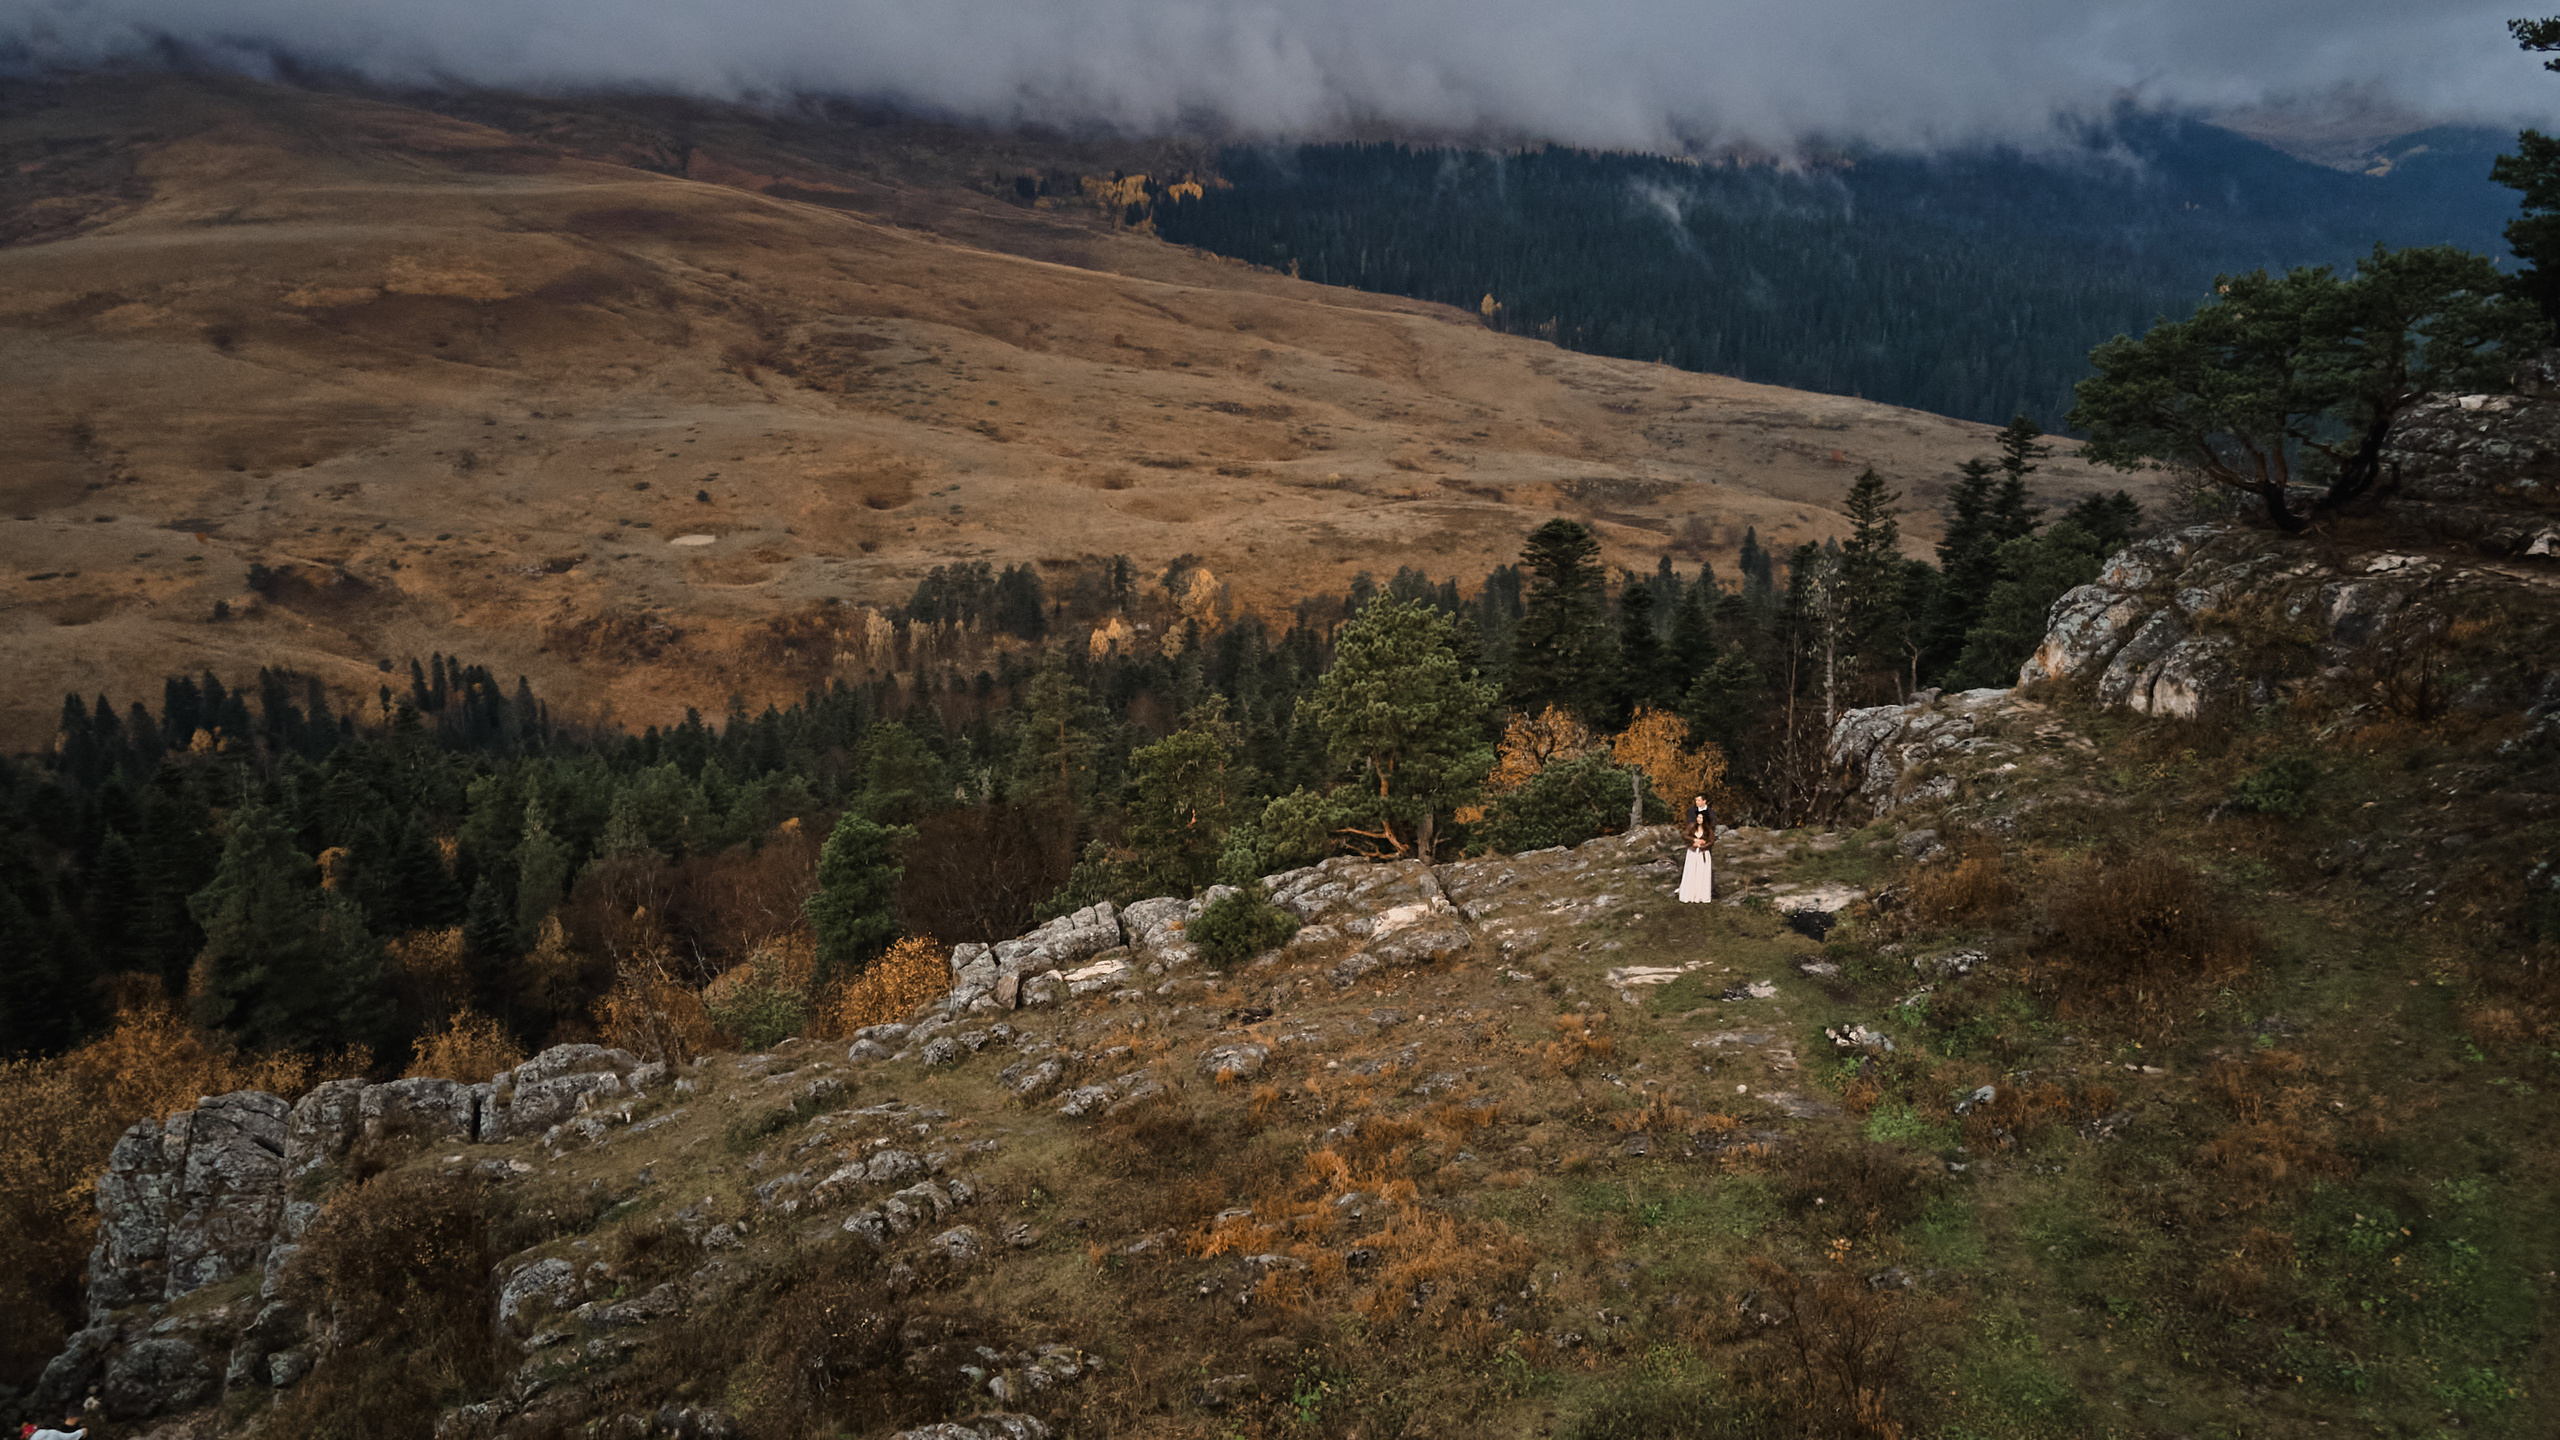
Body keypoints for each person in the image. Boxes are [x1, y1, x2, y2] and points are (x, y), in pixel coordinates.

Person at [1678, 812, 1714, 904]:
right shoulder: (1692, 826)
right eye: (1698, 817)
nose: (1699, 819)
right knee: (1691, 872)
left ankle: (1700, 895)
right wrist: (1694, 841)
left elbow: (1711, 841)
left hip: (1702, 853)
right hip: (1692, 853)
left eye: (1701, 818)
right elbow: (1685, 835)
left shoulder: (1708, 830)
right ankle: (1689, 894)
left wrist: (1702, 845)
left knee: (1701, 873)